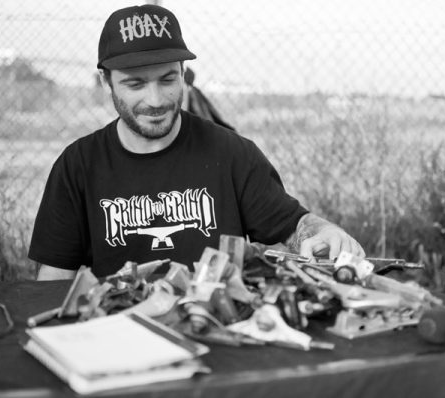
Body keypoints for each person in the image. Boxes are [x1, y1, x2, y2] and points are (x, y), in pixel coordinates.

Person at [29, 4, 364, 280]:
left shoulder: (232, 153)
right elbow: (54, 280)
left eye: (168, 79)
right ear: (106, 81)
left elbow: (293, 225)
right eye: (135, 85)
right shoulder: (79, 165)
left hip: (215, 324)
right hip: (119, 331)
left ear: (184, 72)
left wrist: (321, 232)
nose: (156, 99)